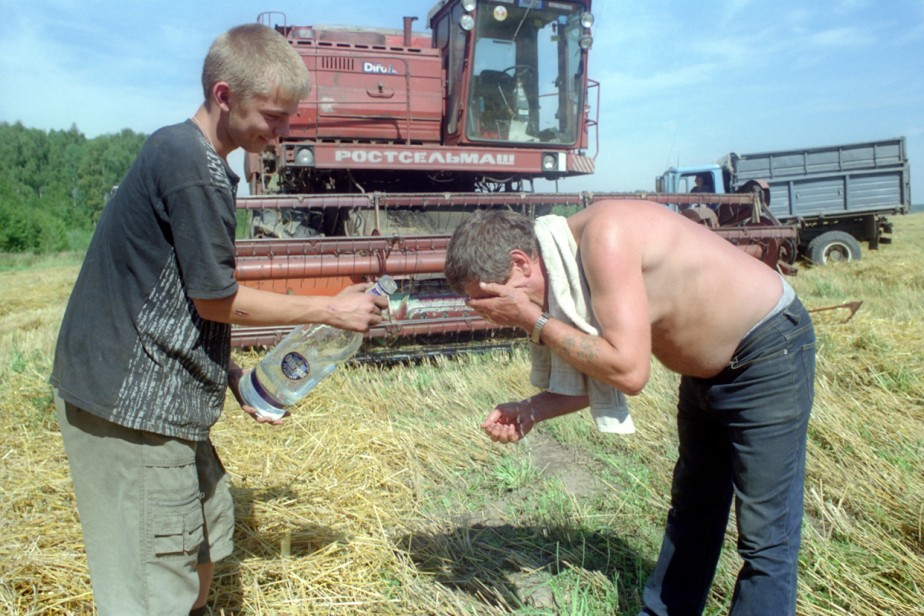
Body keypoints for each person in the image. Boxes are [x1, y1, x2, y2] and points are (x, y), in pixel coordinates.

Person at [50, 24, 388, 615]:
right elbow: (214, 298)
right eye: (273, 116)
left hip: (167, 400)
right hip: (133, 409)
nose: (281, 133)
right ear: (225, 95)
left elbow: (169, 293)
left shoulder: (187, 155)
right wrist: (330, 307)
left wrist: (232, 373)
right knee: (152, 586)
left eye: (289, 118)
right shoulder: (193, 169)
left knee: (201, 550)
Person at [444, 202, 815, 615]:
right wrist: (531, 409)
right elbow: (602, 369)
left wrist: (532, 319)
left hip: (767, 353)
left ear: (520, 262)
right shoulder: (567, 260)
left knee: (766, 536)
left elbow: (629, 371)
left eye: (493, 302)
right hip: (705, 375)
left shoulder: (607, 238)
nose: (497, 317)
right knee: (694, 509)